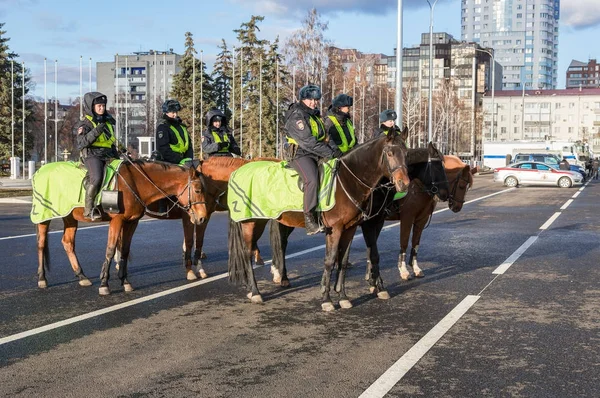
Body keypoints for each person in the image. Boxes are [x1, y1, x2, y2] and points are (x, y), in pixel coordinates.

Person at [285, 84, 342, 235]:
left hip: (315, 152)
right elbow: (307, 141)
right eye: (310, 99)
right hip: (300, 154)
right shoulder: (296, 115)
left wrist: (335, 150)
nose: (313, 102)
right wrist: (329, 152)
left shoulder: (314, 115)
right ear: (302, 99)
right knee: (312, 179)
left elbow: (324, 137)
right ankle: (309, 218)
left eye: (316, 99)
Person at [75, 92, 119, 221]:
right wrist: (97, 129)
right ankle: (89, 210)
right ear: (91, 107)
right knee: (97, 177)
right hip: (92, 155)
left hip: (108, 155)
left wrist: (119, 158)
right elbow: (81, 143)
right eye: (99, 106)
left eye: (103, 105)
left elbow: (111, 143)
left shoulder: (108, 122)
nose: (102, 108)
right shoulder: (85, 124)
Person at [155, 99, 192, 165]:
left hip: (185, 162)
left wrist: (188, 158)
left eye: (176, 112)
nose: (175, 115)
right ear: (166, 112)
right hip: (170, 164)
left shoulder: (182, 127)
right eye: (173, 112)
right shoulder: (163, 127)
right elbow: (162, 148)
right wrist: (179, 159)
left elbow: (189, 146)